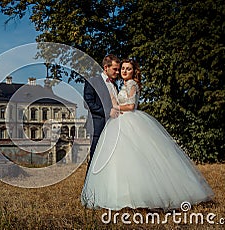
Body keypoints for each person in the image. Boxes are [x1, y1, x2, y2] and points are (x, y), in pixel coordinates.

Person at [81, 59, 214, 210]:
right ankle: (104, 193)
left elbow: (131, 105)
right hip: (110, 124)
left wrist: (116, 107)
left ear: (134, 71)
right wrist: (111, 107)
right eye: (119, 69)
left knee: (131, 158)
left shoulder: (129, 84)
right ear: (106, 67)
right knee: (110, 160)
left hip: (126, 121)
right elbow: (90, 102)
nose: (121, 72)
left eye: (126, 69)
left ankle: (133, 194)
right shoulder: (109, 83)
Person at [83, 54, 120, 171]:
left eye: (118, 69)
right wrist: (108, 111)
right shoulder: (93, 81)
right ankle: (89, 188)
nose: (118, 72)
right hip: (98, 127)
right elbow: (87, 103)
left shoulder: (114, 85)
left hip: (113, 127)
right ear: (105, 68)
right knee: (95, 158)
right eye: (115, 69)